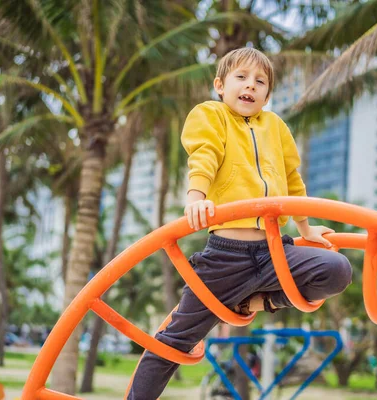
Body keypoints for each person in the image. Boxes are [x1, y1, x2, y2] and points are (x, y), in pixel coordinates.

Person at [127, 47, 353, 399]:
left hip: (273, 249)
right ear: (220, 85)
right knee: (174, 340)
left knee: (337, 270)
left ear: (267, 94)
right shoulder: (211, 115)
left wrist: (306, 229)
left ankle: (250, 302)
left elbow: (292, 180)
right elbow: (205, 155)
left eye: (260, 81)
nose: (250, 86)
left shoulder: (275, 127)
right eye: (241, 78)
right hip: (226, 256)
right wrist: (196, 197)